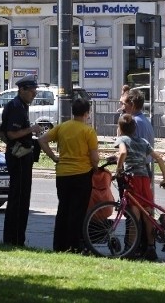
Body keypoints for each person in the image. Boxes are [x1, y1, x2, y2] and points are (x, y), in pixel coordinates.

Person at [38, 98, 99, 253]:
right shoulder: (88, 131)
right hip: (82, 174)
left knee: (63, 209)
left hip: (63, 174)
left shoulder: (62, 127)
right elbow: (94, 156)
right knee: (77, 211)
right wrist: (95, 168)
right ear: (87, 113)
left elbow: (42, 140)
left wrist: (54, 157)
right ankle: (75, 245)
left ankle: (59, 245)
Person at [114, 114, 165, 261]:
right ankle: (151, 248)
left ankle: (130, 250)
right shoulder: (143, 141)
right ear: (135, 129)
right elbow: (158, 158)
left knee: (134, 217)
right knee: (148, 215)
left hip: (133, 180)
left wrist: (118, 169)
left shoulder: (122, 139)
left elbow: (123, 153)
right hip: (145, 179)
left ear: (120, 128)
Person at [1, 74, 42, 247]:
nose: (34, 94)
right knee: (19, 199)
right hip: (19, 158)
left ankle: (15, 238)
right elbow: (10, 133)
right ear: (22, 90)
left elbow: (2, 134)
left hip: (19, 155)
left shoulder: (20, 105)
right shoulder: (17, 107)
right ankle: (15, 239)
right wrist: (31, 129)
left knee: (19, 198)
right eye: (32, 91)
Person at [119, 84, 154, 258]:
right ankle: (147, 246)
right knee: (145, 209)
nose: (121, 107)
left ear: (132, 104)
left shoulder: (135, 123)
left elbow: (133, 148)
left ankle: (132, 247)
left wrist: (118, 161)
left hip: (137, 171)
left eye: (124, 104)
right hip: (145, 169)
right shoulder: (144, 119)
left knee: (134, 211)